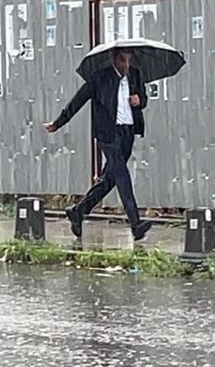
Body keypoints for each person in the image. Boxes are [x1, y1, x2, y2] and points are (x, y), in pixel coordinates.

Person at [44, 48, 153, 242]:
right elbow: (78, 100)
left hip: (128, 132)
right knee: (121, 174)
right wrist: (59, 122)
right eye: (122, 61)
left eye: (129, 62)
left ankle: (79, 211)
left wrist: (140, 100)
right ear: (114, 60)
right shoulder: (100, 77)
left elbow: (143, 99)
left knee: (109, 179)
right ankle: (135, 223)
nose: (126, 66)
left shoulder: (136, 75)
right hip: (108, 134)